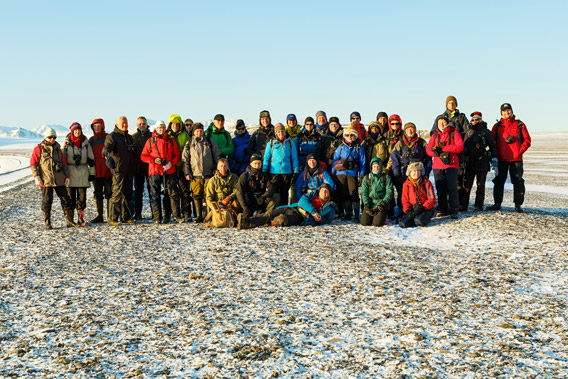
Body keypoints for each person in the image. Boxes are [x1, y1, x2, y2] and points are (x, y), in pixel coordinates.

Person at [488, 103, 531, 212]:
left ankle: (518, 205)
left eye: (508, 110)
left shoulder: (520, 124)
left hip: (516, 159)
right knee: (498, 181)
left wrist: (519, 151)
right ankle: (497, 203)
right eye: (504, 111)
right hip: (501, 159)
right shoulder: (497, 126)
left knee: (518, 182)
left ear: (511, 111)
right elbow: (492, 142)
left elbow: (527, 140)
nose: (507, 112)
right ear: (501, 112)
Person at [30, 128, 76, 229]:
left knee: (66, 200)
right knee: (47, 201)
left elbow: (63, 163)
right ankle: (48, 223)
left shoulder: (58, 149)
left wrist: (67, 176)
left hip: (59, 179)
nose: (52, 139)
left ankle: (70, 221)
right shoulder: (38, 149)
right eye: (50, 137)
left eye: (54, 137)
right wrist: (36, 176)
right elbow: (33, 163)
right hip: (46, 180)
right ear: (46, 137)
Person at [237, 183, 337, 229]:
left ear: (329, 194)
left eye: (326, 191)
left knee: (282, 219)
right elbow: (302, 201)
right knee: (270, 213)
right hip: (294, 208)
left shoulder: (330, 206)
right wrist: (314, 212)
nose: (324, 193)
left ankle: (265, 222)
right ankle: (247, 222)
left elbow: (328, 219)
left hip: (301, 217)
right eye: (322, 190)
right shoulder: (312, 195)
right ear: (319, 191)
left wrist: (319, 220)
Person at [140, 120, 182, 224]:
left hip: (169, 170)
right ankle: (157, 217)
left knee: (172, 194)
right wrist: (153, 160)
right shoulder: (150, 141)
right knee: (155, 195)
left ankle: (174, 216)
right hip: (155, 171)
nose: (161, 129)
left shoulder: (171, 141)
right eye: (159, 127)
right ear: (156, 128)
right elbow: (143, 156)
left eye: (163, 127)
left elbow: (177, 155)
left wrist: (171, 163)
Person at [426, 115, 464, 219]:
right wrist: (435, 152)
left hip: (451, 164)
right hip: (438, 165)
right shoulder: (434, 135)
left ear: (447, 123)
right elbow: (428, 150)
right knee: (440, 188)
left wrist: (445, 148)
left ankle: (454, 210)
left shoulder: (454, 132)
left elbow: (460, 147)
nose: (442, 124)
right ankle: (443, 209)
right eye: (439, 123)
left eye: (443, 122)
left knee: (452, 188)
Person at [182, 122, 221, 222]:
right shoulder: (189, 143)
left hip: (209, 173)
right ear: (194, 132)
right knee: (196, 195)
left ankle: (208, 215)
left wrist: (218, 168)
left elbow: (217, 155)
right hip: (195, 174)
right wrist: (187, 172)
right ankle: (199, 215)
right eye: (197, 131)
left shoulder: (209, 141)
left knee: (208, 195)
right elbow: (185, 159)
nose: (199, 133)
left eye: (201, 131)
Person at [390, 122, 431, 216]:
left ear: (415, 130)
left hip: (419, 171)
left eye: (412, 129)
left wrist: (427, 170)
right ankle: (403, 210)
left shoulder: (421, 142)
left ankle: (420, 209)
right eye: (408, 129)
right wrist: (397, 175)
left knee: (419, 191)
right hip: (404, 170)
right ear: (405, 131)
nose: (410, 131)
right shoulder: (400, 143)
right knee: (403, 192)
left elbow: (428, 157)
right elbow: (394, 159)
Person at [103, 116, 138, 225]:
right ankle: (113, 218)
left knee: (128, 194)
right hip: (118, 170)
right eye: (122, 123)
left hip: (129, 170)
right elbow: (106, 148)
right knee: (117, 194)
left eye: (126, 122)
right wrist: (106, 155)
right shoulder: (112, 136)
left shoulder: (129, 137)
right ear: (117, 124)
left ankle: (125, 217)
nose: (125, 124)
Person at [461, 111, 497, 212]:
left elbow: (493, 146)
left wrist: (494, 159)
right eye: (473, 119)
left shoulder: (486, 132)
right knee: (467, 185)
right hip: (470, 162)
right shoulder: (468, 132)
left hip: (482, 162)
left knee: (480, 185)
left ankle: (479, 205)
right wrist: (463, 158)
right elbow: (463, 147)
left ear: (481, 120)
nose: (475, 121)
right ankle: (463, 205)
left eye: (477, 119)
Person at [62, 122, 95, 226]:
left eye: (79, 130)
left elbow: (91, 160)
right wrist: (63, 175)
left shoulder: (86, 143)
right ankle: (70, 220)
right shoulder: (66, 144)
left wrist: (92, 173)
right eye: (75, 130)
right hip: (70, 172)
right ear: (72, 131)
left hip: (83, 172)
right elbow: (62, 160)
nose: (77, 132)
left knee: (82, 198)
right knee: (70, 198)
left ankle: (80, 218)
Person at [331, 127, 366, 221]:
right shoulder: (341, 147)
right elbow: (335, 159)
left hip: (352, 173)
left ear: (355, 136)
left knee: (353, 193)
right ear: (344, 136)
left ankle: (356, 213)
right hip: (340, 173)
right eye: (347, 135)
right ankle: (348, 213)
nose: (349, 137)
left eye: (352, 135)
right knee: (344, 193)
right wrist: (333, 172)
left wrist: (361, 174)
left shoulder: (359, 147)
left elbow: (362, 162)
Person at [262, 123, 300, 205]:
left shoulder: (290, 143)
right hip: (274, 172)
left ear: (285, 132)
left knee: (285, 193)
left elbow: (294, 158)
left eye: (282, 132)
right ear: (276, 133)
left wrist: (296, 171)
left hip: (287, 173)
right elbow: (266, 158)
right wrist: (264, 170)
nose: (281, 134)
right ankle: (274, 210)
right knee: (274, 193)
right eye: (279, 132)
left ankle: (284, 211)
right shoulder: (271, 144)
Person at [236, 154, 280, 219]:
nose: (257, 166)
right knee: (244, 216)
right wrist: (244, 207)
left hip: (260, 200)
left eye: (259, 163)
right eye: (255, 163)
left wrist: (263, 196)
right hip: (249, 201)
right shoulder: (244, 176)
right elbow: (239, 192)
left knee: (276, 197)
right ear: (251, 164)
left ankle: (265, 215)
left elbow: (271, 188)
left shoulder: (264, 175)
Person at [166, 114, 192, 222]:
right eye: (173, 124)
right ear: (170, 125)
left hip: (182, 167)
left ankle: (186, 213)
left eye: (177, 124)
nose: (175, 126)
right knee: (171, 192)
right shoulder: (166, 136)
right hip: (170, 168)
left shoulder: (185, 135)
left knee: (185, 191)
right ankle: (174, 215)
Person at [399, 162, 437, 228]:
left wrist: (423, 207)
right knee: (403, 224)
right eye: (414, 171)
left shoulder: (427, 182)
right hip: (413, 208)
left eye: (418, 171)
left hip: (425, 208)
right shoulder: (406, 184)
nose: (417, 173)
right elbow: (405, 200)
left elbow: (432, 199)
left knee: (419, 221)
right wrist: (407, 210)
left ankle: (426, 215)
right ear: (410, 172)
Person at [88, 118, 112, 223]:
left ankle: (110, 215)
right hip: (96, 172)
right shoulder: (91, 140)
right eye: (94, 126)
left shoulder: (108, 138)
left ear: (102, 126)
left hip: (107, 171)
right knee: (97, 194)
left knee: (109, 194)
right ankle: (99, 216)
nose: (97, 128)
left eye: (98, 125)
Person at [360, 158, 393, 227]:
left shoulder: (386, 177)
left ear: (380, 167)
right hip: (370, 202)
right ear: (371, 167)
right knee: (364, 222)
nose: (376, 168)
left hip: (381, 203)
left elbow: (389, 192)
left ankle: (381, 215)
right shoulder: (367, 178)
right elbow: (364, 192)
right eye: (374, 166)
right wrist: (366, 204)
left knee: (377, 224)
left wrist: (383, 203)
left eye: (378, 166)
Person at [131, 116, 152, 220]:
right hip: (138, 169)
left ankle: (155, 213)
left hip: (150, 168)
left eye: (143, 123)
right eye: (140, 124)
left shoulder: (152, 136)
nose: (142, 125)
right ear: (137, 125)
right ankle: (137, 213)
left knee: (152, 191)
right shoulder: (133, 137)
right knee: (138, 192)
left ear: (146, 124)